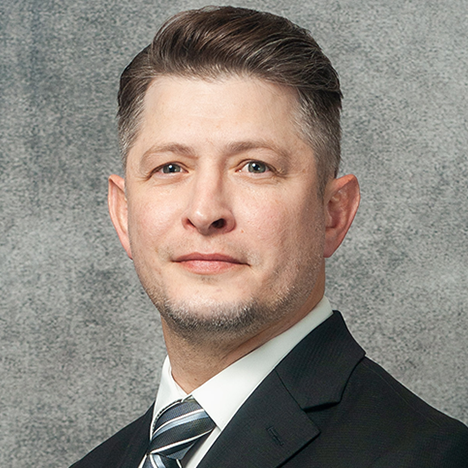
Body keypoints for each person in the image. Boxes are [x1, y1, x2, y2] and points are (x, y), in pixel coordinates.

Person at [71, 6, 468, 467]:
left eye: (255, 167)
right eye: (170, 168)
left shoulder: (430, 456)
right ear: (123, 213)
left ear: (332, 214)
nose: (205, 212)